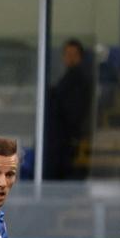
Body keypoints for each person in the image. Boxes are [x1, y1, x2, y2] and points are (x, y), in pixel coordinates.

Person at [45, 39, 93, 180]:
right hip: (60, 140)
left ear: (81, 57)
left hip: (66, 141)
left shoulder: (79, 80)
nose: (70, 58)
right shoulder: (66, 79)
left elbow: (73, 111)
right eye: (67, 54)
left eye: (74, 55)